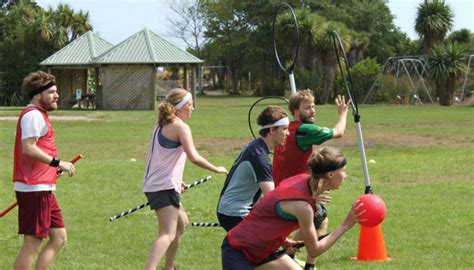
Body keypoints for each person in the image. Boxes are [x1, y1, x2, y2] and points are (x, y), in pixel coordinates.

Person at [221, 147, 365, 270]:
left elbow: (269, 213)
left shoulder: (303, 181)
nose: (345, 175)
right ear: (331, 174)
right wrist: (346, 224)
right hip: (239, 250)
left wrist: (283, 240)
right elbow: (314, 250)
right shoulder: (303, 206)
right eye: (343, 170)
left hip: (264, 248)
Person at [142, 88, 227, 270]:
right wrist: (216, 168)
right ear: (180, 108)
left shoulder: (160, 124)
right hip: (162, 186)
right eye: (190, 105)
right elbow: (194, 157)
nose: (193, 108)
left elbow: (158, 156)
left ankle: (169, 267)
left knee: (182, 223)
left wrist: (176, 180)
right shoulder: (180, 127)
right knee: (167, 234)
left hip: (158, 184)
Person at [13, 71, 76, 270]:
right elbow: (28, 148)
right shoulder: (33, 115)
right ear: (37, 95)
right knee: (32, 243)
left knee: (59, 237)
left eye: (56, 91)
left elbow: (35, 150)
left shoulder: (39, 115)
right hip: (34, 188)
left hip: (42, 187)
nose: (57, 95)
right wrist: (58, 163)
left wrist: (50, 169)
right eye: (51, 92)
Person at [272, 90, 349, 243]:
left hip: (280, 190)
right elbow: (339, 132)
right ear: (296, 111)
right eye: (307, 107)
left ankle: (295, 257)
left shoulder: (286, 130)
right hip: (293, 193)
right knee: (319, 219)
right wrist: (342, 114)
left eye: (313, 106)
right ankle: (299, 260)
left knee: (318, 220)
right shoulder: (305, 130)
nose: (312, 111)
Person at [217, 106, 289, 232]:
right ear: (272, 130)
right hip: (235, 213)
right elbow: (271, 199)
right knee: (267, 248)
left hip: (231, 210)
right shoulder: (259, 156)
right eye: (285, 129)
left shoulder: (255, 146)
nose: (288, 133)